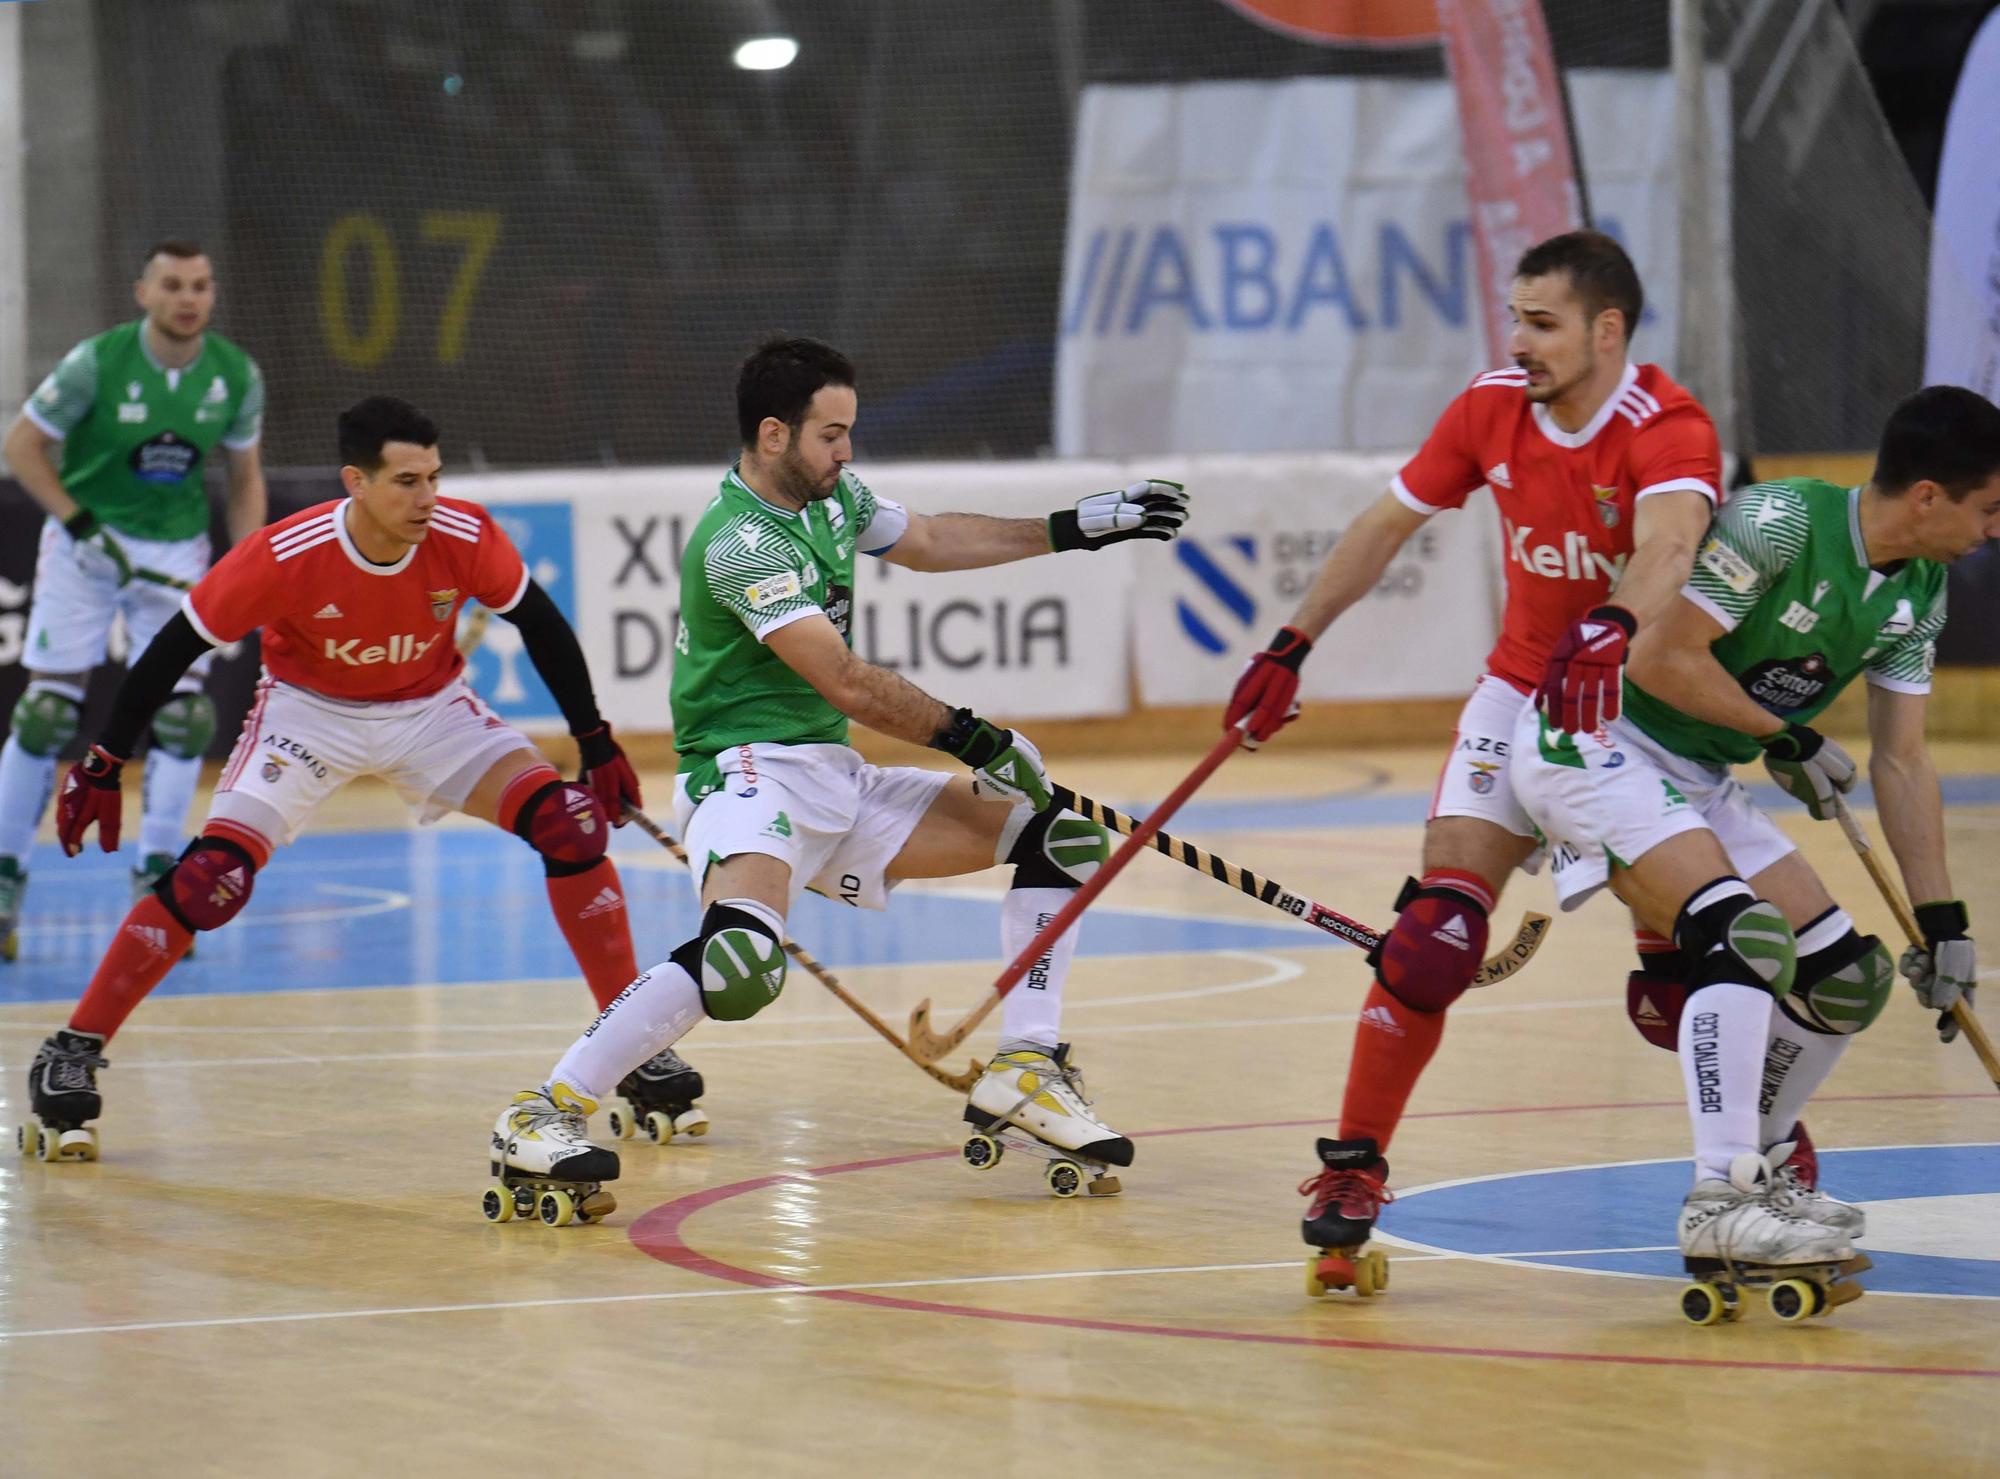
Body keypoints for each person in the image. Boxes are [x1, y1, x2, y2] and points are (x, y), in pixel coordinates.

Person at [482, 335, 1190, 1223]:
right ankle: (543, 1110)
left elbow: (930, 539)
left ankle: (1029, 1066)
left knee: (1059, 834)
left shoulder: (834, 496)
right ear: (773, 434)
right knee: (741, 965)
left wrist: (1068, 529)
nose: (846, 452)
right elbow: (846, 682)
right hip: (746, 775)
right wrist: (972, 738)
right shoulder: (739, 542)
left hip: (833, 777)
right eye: (831, 434)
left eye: (849, 433)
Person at [1221, 231, 1725, 1290]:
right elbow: (1380, 526)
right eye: (1513, 319)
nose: (1517, 343)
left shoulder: (1664, 425)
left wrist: (1611, 625)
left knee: (1680, 992)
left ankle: (1767, 1159)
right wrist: (1291, 642)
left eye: (1540, 324)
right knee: (1430, 941)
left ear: (1606, 330)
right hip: (1517, 695)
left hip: (1631, 708)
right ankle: (1350, 1170)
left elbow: (1667, 546)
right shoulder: (1489, 406)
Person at [21, 396, 676, 1162]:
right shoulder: (284, 555)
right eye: (405, 480)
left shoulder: (463, 534)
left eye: (433, 476)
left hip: (432, 714)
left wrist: (595, 742)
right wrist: (102, 761)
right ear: (355, 483)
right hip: (308, 720)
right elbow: (170, 648)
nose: (427, 497)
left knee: (569, 824)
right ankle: (73, 1044)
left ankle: (631, 1047)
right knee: (211, 879)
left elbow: (541, 623)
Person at [1509, 385, 1996, 1296]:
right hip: (1598, 743)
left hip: (1697, 773)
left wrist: (1943, 920)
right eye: (1990, 508)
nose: (1995, 530)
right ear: (1929, 495)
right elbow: (1660, 656)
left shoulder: (1918, 593)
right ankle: (1718, 1195)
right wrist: (1784, 736)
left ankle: (1761, 1163)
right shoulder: (1779, 520)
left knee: (1847, 980)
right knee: (1740, 937)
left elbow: (1902, 760)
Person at [0, 240, 268, 960]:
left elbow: (244, 479)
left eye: (202, 285)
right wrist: (78, 520)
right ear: (142, 292)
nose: (190, 298)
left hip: (176, 553)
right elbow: (22, 444)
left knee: (183, 718)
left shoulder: (236, 375)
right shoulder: (98, 361)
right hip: (86, 546)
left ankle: (156, 880)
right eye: (174, 284)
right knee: (47, 709)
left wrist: (253, 565)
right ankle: (4, 880)